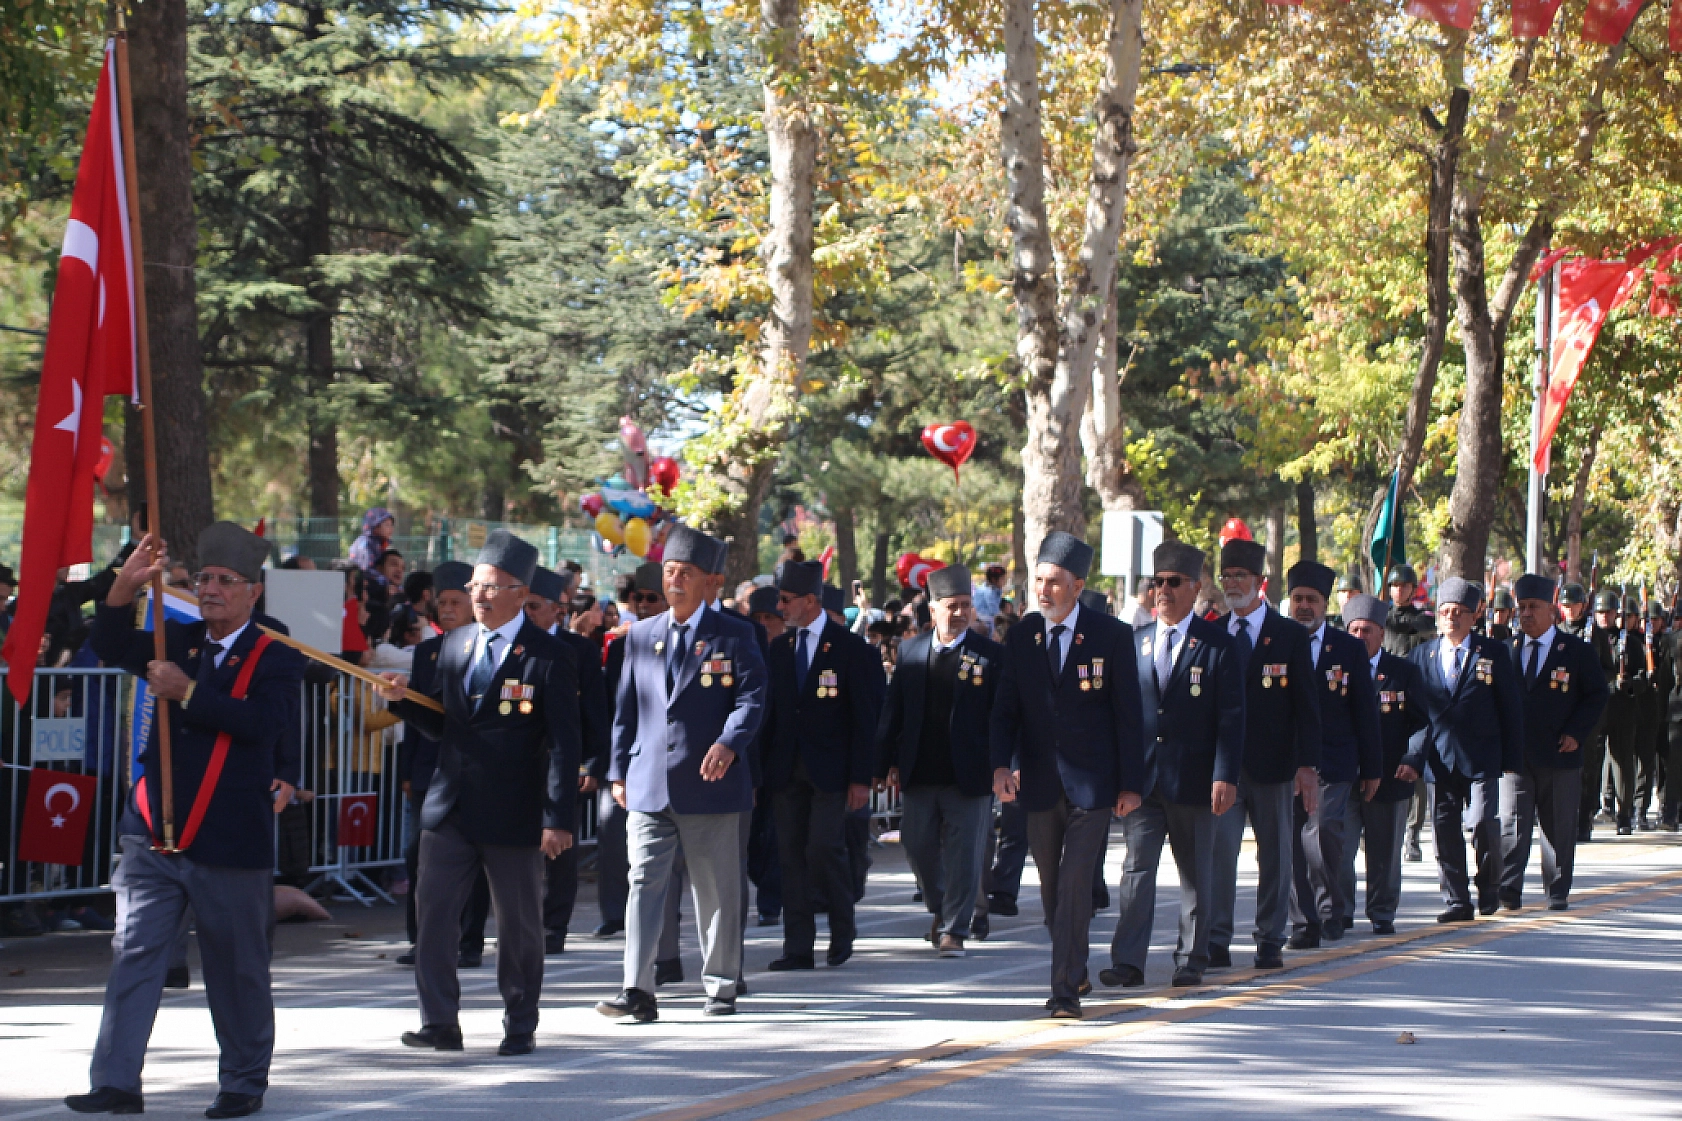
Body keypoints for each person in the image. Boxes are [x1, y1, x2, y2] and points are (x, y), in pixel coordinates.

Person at [71, 524, 304, 1119]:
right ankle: (116, 1081)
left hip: (228, 837)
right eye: (203, 578)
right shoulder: (178, 638)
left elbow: (262, 726)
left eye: (226, 581)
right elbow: (110, 640)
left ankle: (243, 1083)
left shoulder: (276, 655)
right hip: (155, 831)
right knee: (135, 956)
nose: (211, 589)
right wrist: (123, 584)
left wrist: (189, 693)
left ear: (253, 592)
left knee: (237, 971)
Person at [380, 530, 582, 1057]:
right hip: (450, 806)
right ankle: (439, 1020)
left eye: (492, 587)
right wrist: (403, 702)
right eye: (476, 585)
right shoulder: (455, 644)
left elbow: (564, 744)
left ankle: (520, 1021)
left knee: (518, 926)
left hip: (515, 810)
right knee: (435, 914)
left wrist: (559, 818)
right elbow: (449, 724)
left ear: (521, 592)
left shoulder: (549, 656)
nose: (480, 596)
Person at [596, 526, 767, 1022]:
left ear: (710, 582)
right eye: (669, 571)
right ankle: (637, 989)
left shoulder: (735, 634)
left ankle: (720, 984)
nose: (674, 581)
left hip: (710, 782)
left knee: (715, 889)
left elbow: (752, 698)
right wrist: (618, 769)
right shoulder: (642, 636)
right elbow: (625, 710)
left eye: (685, 574)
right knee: (643, 883)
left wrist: (729, 743)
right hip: (648, 781)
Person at [991, 531, 1143, 1017]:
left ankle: (1062, 992)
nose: (1043, 591)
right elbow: (1005, 710)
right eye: (1038, 581)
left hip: (1092, 786)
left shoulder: (1110, 635)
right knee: (1053, 890)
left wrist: (1131, 783)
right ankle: (1073, 967)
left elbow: (1128, 715)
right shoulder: (1021, 636)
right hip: (1038, 783)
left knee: (1076, 884)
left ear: (1078, 585)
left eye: (1053, 582)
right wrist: (1000, 765)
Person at [1102, 541, 1242, 989]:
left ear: (1196, 588)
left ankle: (1191, 958)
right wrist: (1121, 777)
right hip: (1143, 782)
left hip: (1196, 778)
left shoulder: (1218, 643)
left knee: (1195, 874)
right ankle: (1128, 961)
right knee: (1135, 872)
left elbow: (1232, 717)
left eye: (1173, 583)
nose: (1163, 590)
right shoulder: (1135, 642)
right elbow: (1120, 716)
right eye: (1157, 582)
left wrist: (1225, 774)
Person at [761, 560, 886, 971]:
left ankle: (841, 927)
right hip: (786, 769)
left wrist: (860, 778)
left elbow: (864, 718)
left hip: (831, 770)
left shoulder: (851, 650)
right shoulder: (779, 649)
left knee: (823, 849)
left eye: (786, 600)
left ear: (810, 601)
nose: (781, 608)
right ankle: (798, 946)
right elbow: (771, 714)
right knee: (790, 854)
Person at [876, 565, 1002, 957]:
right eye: (952, 606)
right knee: (917, 846)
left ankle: (954, 930)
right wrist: (884, 762)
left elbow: (1003, 716)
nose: (961, 613)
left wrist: (1004, 765)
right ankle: (941, 907)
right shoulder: (912, 651)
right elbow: (893, 712)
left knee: (965, 855)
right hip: (919, 771)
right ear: (933, 610)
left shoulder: (989, 655)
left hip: (969, 774)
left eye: (966, 605)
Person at [1207, 538, 1320, 971]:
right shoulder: (1212, 630)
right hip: (1225, 767)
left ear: (1261, 582)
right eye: (1227, 576)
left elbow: (1307, 707)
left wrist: (1307, 766)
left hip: (1275, 765)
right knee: (1219, 853)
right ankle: (1216, 938)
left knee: (1274, 855)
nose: (1233, 583)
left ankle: (1269, 938)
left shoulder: (1289, 634)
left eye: (1241, 576)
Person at [1406, 576, 1523, 922]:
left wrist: (1513, 758)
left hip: (1482, 756)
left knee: (1485, 823)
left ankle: (1488, 888)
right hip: (1438, 758)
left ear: (1475, 616)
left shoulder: (1493, 652)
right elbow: (1414, 713)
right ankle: (1456, 901)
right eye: (1446, 612)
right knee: (1443, 832)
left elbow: (1510, 708)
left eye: (1460, 612)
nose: (1452, 618)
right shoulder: (1420, 656)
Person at [1498, 574, 1610, 911]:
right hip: (1516, 755)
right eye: (1522, 607)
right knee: (1512, 824)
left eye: (1533, 607)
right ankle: (1508, 890)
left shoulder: (1576, 651)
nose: (1526, 614)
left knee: (1558, 826)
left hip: (1560, 753)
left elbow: (1596, 694)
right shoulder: (1506, 650)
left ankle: (1557, 889)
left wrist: (1576, 732)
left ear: (1551, 610)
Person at [1284, 562, 1380, 949]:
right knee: (1291, 843)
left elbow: (1365, 712)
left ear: (1326, 605)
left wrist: (1372, 767)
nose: (1304, 606)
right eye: (1297, 599)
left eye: (1312, 600)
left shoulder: (1348, 649)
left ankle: (1330, 908)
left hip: (1334, 761)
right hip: (1286, 761)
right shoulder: (1277, 641)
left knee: (1322, 834)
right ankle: (1303, 921)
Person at [393, 561, 475, 966]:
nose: (446, 609)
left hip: (474, 773)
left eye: (455, 602)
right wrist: (407, 770)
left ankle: (469, 940)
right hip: (431, 769)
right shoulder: (426, 652)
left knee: (474, 861)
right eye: (441, 603)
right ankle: (419, 938)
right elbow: (417, 721)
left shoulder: (484, 648)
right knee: (417, 855)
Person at [526, 566, 611, 955]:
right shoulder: (512, 646)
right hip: (519, 766)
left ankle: (553, 927)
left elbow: (594, 712)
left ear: (555, 611)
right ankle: (521, 923)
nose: (525, 615)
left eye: (532, 607)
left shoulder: (580, 651)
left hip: (565, 765)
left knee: (560, 851)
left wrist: (592, 765)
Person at [1338, 594, 1428, 934]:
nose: (1360, 638)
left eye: (1368, 631)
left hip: (1391, 773)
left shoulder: (1402, 673)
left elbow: (1421, 723)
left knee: (1385, 851)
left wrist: (1412, 758)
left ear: (1381, 634)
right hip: (1345, 775)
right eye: (1354, 630)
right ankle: (1340, 910)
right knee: (1340, 848)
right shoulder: (1334, 671)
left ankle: (1382, 911)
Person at [598, 562, 667, 938]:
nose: (641, 605)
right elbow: (614, 708)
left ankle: (660, 924)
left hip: (669, 757)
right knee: (611, 833)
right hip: (628, 756)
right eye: (636, 598)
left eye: (650, 598)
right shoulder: (623, 645)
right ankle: (613, 913)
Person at [1382, 564, 1434, 862]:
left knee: (1415, 768)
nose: (1398, 590)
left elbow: (1423, 637)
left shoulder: (1421, 621)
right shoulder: (1382, 619)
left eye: (1404, 586)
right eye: (1394, 585)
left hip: (1413, 698)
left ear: (1413, 589)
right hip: (1384, 699)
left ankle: (1412, 835)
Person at [1560, 585, 1616, 841]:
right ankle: (1563, 818)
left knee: (1588, 765)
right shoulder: (1556, 632)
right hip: (1561, 706)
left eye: (1574, 605)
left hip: (1586, 709)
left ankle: (1584, 819)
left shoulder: (1596, 635)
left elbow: (1609, 671)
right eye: (1566, 605)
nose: (1570, 609)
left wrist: (1589, 678)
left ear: (1584, 605)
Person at [1603, 593, 1650, 836]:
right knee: (1591, 762)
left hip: (1623, 709)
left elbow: (1645, 677)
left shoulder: (1631, 644)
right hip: (1598, 707)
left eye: (1610, 613)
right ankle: (1589, 811)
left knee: (1623, 763)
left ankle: (1624, 813)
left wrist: (1628, 684)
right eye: (1601, 612)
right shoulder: (1592, 641)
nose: (1606, 617)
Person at [349, 507, 395, 580]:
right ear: (375, 526)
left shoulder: (380, 543)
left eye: (392, 525)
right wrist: (385, 582)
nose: (391, 529)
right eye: (387, 525)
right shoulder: (365, 543)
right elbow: (365, 569)